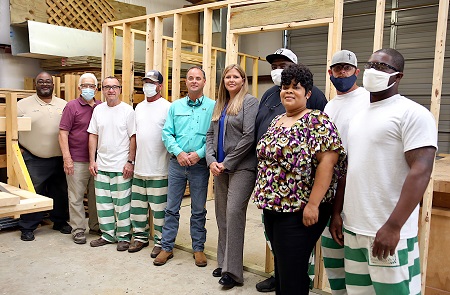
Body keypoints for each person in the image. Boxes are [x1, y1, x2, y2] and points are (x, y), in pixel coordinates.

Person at [342, 48, 437, 294]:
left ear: (398, 76)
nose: (373, 70)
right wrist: (339, 215)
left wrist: (394, 226)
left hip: (388, 232)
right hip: (354, 228)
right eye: (371, 64)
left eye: (382, 67)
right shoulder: (359, 117)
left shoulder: (413, 114)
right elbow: (352, 167)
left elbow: (421, 171)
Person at [252, 63, 346, 295]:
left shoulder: (317, 121)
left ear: (308, 93)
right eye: (285, 87)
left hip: (299, 210)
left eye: (296, 87)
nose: (289, 91)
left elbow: (328, 163)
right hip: (273, 209)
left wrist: (313, 204)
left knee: (293, 274)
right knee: (283, 270)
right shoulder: (278, 121)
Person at [319, 50, 370, 294]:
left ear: (356, 72)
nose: (342, 73)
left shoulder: (368, 100)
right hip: (330, 189)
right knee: (334, 260)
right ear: (330, 73)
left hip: (355, 190)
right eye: (337, 68)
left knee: (356, 263)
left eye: (347, 68)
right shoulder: (330, 106)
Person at [154, 66, 215, 267]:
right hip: (177, 164)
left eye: (198, 78)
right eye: (190, 78)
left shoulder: (213, 107)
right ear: (186, 82)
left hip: (200, 166)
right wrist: (179, 153)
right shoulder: (176, 107)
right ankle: (167, 247)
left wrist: (198, 155)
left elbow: (214, 138)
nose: (194, 81)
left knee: (198, 209)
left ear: (204, 82)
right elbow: (167, 133)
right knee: (171, 208)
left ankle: (198, 248)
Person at [205, 64, 259, 288]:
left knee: (234, 213)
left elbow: (249, 137)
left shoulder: (249, 102)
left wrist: (227, 163)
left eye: (236, 76)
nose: (231, 80)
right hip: (219, 168)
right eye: (228, 76)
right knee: (221, 216)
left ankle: (233, 273)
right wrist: (211, 161)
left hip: (242, 167)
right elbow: (209, 135)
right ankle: (224, 262)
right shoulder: (220, 104)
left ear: (243, 80)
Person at [18, 71, 71, 241]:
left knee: (60, 192)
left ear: (53, 84)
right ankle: (28, 227)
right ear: (36, 84)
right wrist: (20, 149)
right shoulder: (22, 105)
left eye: (48, 81)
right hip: (34, 158)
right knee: (33, 193)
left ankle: (60, 222)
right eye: (41, 81)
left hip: (58, 157)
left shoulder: (64, 105)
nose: (45, 84)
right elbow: (11, 128)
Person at [87, 76, 136, 251]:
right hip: (102, 165)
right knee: (103, 204)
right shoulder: (98, 110)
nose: (111, 90)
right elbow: (93, 135)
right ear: (102, 90)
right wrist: (92, 160)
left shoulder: (128, 111)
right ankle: (108, 235)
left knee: (122, 204)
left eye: (114, 87)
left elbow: (133, 137)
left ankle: (123, 236)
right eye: (107, 87)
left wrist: (130, 161)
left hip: (120, 165)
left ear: (120, 89)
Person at [128, 70, 171, 258]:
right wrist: (131, 161)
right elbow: (134, 136)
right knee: (138, 208)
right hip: (139, 168)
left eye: (152, 82)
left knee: (160, 210)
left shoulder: (168, 108)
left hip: (159, 168)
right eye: (145, 82)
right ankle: (140, 237)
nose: (148, 86)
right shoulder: (138, 108)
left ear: (160, 86)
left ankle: (161, 242)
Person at [59, 73, 101, 245]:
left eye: (92, 86)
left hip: (97, 160)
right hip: (77, 160)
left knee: (96, 195)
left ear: (97, 89)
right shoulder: (71, 106)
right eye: (85, 85)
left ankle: (96, 225)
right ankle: (77, 229)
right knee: (75, 196)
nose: (88, 89)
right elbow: (63, 132)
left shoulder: (101, 106)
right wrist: (67, 158)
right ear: (79, 88)